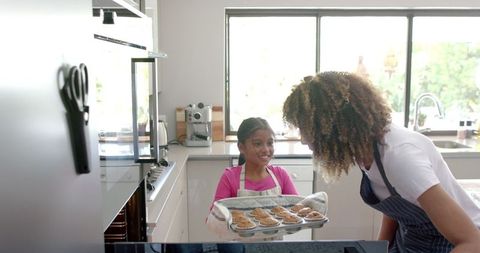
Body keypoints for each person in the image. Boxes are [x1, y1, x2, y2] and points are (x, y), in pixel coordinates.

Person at [282, 71, 480, 252]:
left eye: (307, 129)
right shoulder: (364, 149)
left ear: (335, 126)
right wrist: (379, 249)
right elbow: (397, 203)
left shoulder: (400, 157)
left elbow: (472, 242)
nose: (304, 139)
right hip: (413, 241)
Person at [212, 117, 298, 203]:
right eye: (258, 144)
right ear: (241, 147)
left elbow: (297, 209)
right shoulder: (230, 177)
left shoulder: (281, 175)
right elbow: (216, 213)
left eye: (270, 143)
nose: (266, 150)